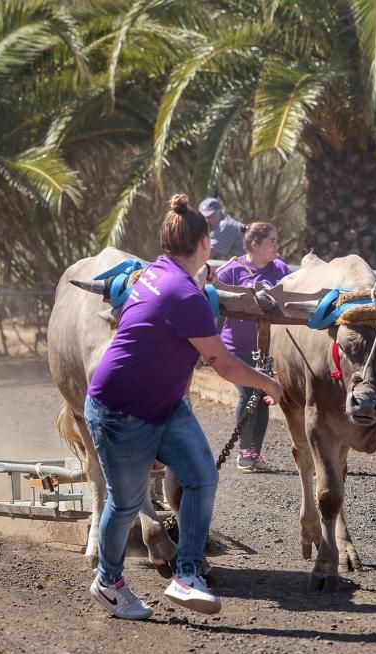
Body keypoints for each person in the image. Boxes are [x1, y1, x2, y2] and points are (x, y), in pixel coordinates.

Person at [84, 194, 283, 620]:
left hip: (164, 404)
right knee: (124, 502)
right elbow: (225, 366)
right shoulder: (185, 295)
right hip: (119, 410)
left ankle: (187, 573)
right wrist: (268, 382)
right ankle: (108, 582)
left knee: (200, 475)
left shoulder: (156, 273)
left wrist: (202, 282)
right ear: (205, 243)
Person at [216, 222, 292, 473]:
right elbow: (213, 303)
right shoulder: (231, 271)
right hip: (236, 348)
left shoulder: (281, 270)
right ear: (254, 245)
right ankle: (244, 452)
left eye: (276, 241)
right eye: (271, 241)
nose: (276, 246)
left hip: (267, 349)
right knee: (248, 393)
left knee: (261, 397)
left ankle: (255, 453)